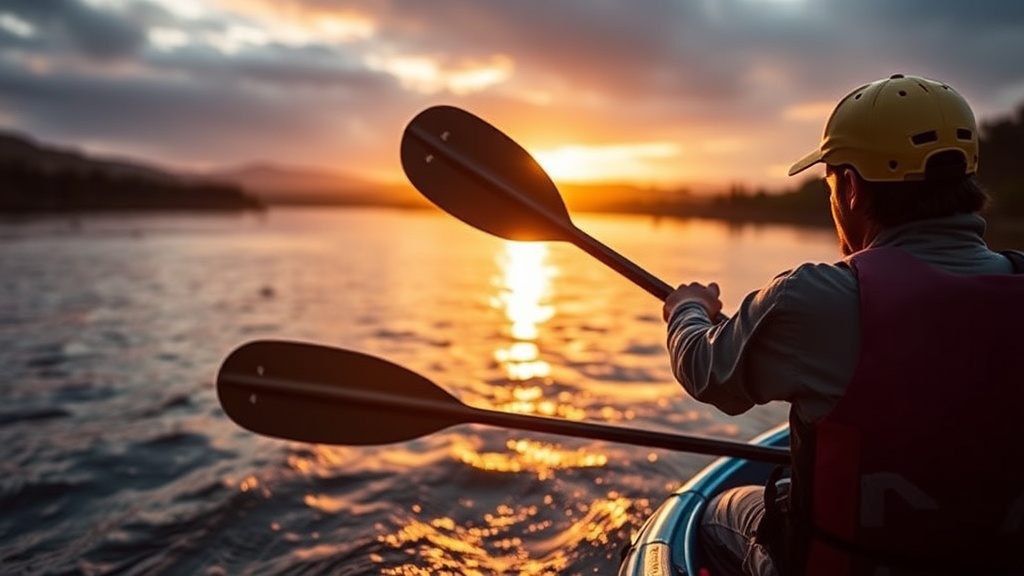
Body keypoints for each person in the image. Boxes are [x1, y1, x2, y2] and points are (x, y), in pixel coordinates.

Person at [661, 73, 1024, 576]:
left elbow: (705, 370)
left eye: (829, 180)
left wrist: (687, 309)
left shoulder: (812, 300)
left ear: (851, 188)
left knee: (712, 514)